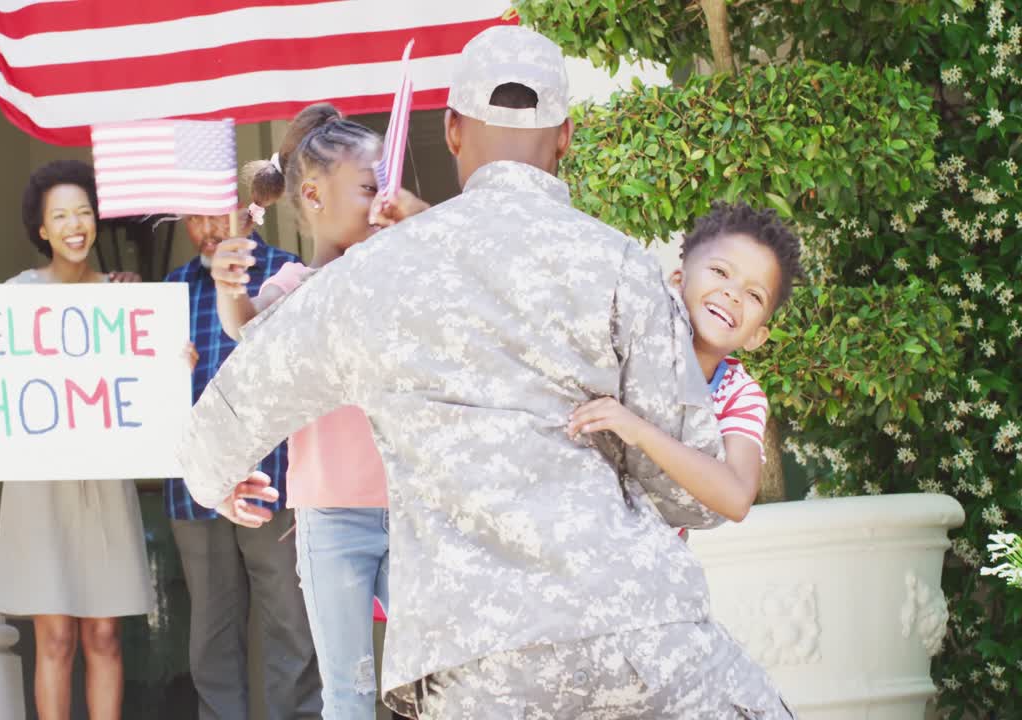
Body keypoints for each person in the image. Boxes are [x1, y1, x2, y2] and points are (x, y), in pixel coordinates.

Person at [179, 25, 794, 720]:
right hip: (640, 636)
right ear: (564, 139)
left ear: (450, 132)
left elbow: (225, 420)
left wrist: (217, 479)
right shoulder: (618, 263)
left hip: (474, 662)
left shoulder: (375, 274)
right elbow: (694, 498)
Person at [209, 103, 428, 720]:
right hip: (330, 520)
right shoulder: (296, 286)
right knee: (349, 694)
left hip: (412, 508)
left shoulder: (399, 276)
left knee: (436, 677)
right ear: (313, 194)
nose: (385, 198)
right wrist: (230, 288)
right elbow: (247, 327)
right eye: (370, 187)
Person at [0, 160, 154, 720]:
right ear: (43, 230)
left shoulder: (123, 296)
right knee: (55, 640)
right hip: (38, 484)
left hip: (103, 483)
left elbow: (146, 379)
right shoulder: (17, 295)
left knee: (104, 636)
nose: (76, 225)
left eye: (83, 213)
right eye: (61, 216)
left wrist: (173, 363)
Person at [162, 213, 322, 720]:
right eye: (194, 217)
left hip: (273, 479)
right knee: (211, 636)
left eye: (216, 212)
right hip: (194, 486)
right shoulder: (170, 291)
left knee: (291, 627)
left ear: (242, 208)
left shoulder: (283, 271)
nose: (208, 226)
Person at [568, 201, 803, 522]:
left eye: (754, 295)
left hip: (652, 548)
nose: (733, 294)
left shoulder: (739, 396)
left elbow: (736, 498)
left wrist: (638, 431)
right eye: (720, 272)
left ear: (756, 337)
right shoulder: (631, 333)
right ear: (677, 282)